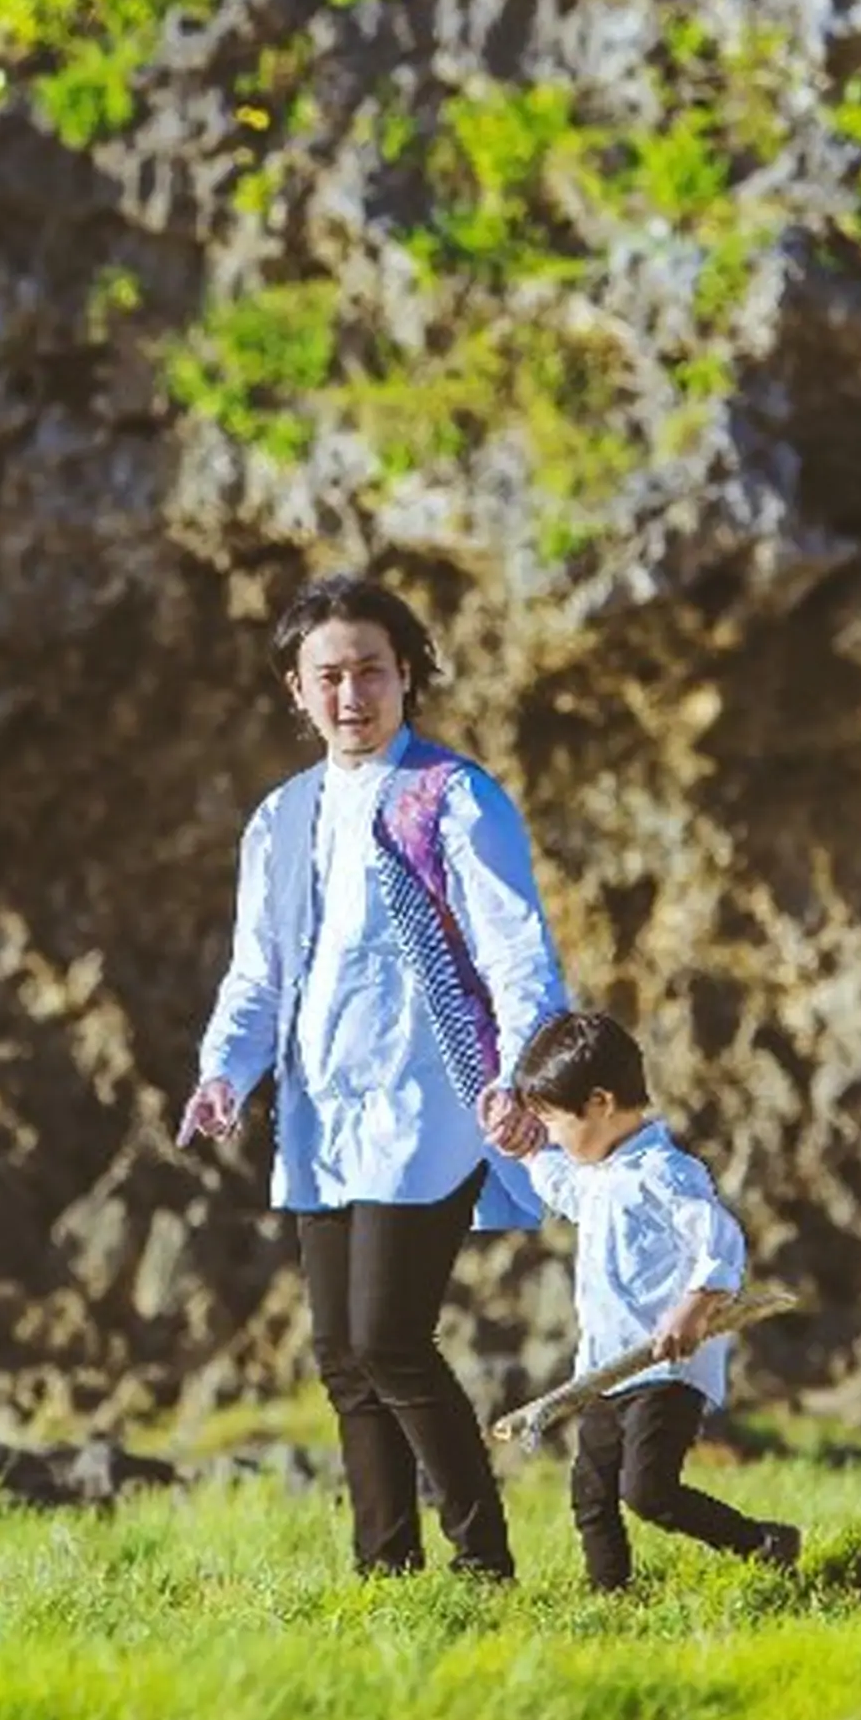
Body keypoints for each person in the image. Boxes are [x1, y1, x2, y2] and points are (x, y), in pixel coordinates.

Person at [181, 572, 568, 1577]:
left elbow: (517, 949)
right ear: (295, 691)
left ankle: (484, 1559)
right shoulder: (280, 818)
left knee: (391, 1337)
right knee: (344, 1360)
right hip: (321, 1107)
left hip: (430, 1101)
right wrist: (225, 1069)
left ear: (407, 676)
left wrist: (522, 1075)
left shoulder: (454, 795)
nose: (352, 694)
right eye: (330, 676)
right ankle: (383, 1565)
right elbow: (259, 970)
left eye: (371, 671)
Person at [490, 1009, 801, 1590]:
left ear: (602, 1103)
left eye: (554, 1122)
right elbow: (559, 1184)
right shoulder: (598, 1175)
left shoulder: (667, 1173)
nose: (553, 1135)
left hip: (666, 1368)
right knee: (591, 1494)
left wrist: (694, 1306)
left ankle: (761, 1543)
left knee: (648, 1492)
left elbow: (720, 1239)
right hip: (606, 1370)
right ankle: (611, 1595)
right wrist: (530, 1151)